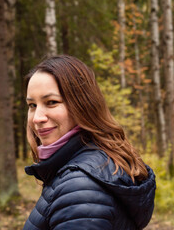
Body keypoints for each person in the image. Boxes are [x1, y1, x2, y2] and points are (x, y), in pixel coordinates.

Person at [23, 55, 156, 230]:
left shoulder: (79, 187)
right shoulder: (92, 163)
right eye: (32, 105)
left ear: (83, 105)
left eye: (52, 102)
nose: (37, 118)